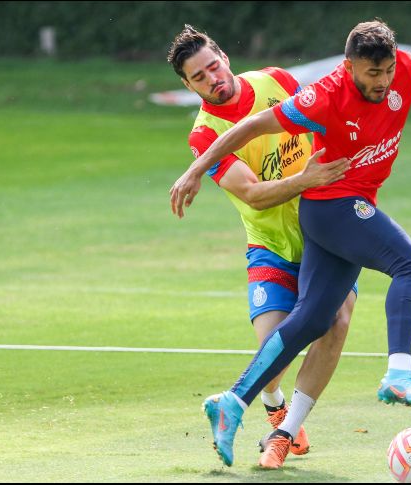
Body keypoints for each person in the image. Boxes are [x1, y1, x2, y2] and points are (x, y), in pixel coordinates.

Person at [170, 20, 411, 468]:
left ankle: (235, 403)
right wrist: (194, 171)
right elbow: (250, 145)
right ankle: (399, 372)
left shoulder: (399, 69)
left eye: (385, 72)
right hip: (320, 214)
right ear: (350, 67)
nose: (380, 82)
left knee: (317, 320)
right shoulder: (322, 95)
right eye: (370, 74)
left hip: (327, 215)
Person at [166, 25, 357, 469]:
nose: (213, 78)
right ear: (188, 85)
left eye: (214, 66)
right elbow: (252, 194)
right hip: (270, 245)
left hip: (323, 234)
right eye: (199, 76)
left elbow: (324, 119)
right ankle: (274, 402)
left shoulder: (276, 80)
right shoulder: (204, 136)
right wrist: (306, 179)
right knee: (273, 353)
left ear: (225, 58)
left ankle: (285, 433)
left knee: (337, 319)